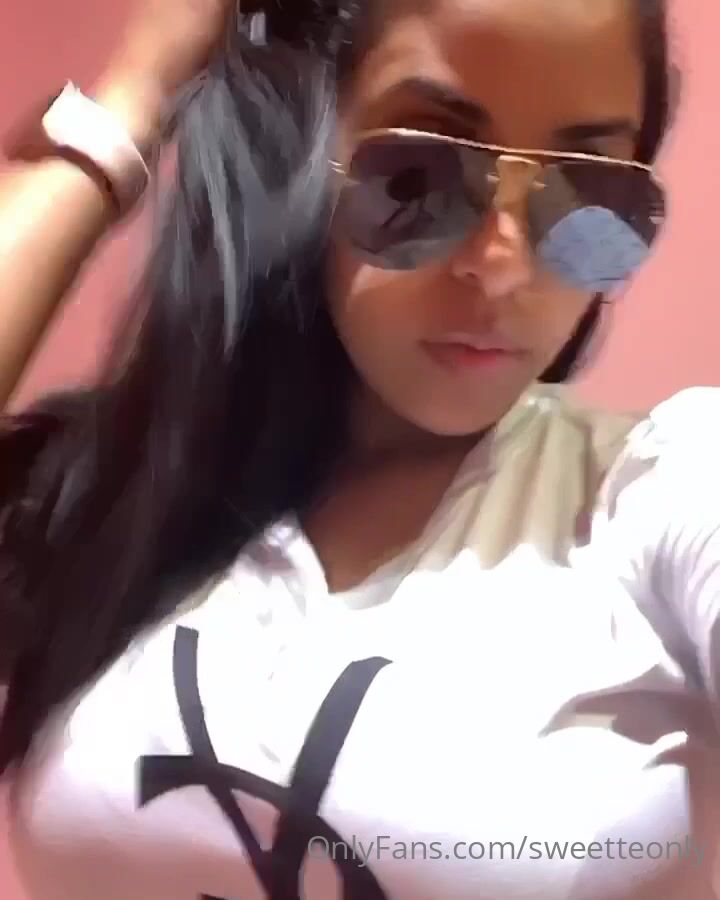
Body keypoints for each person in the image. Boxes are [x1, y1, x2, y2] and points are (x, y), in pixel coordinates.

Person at [0, 0, 717, 897]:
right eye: (418, 172)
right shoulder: (119, 503)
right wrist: (130, 103)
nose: (503, 266)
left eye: (587, 193)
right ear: (292, 157)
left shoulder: (663, 488)